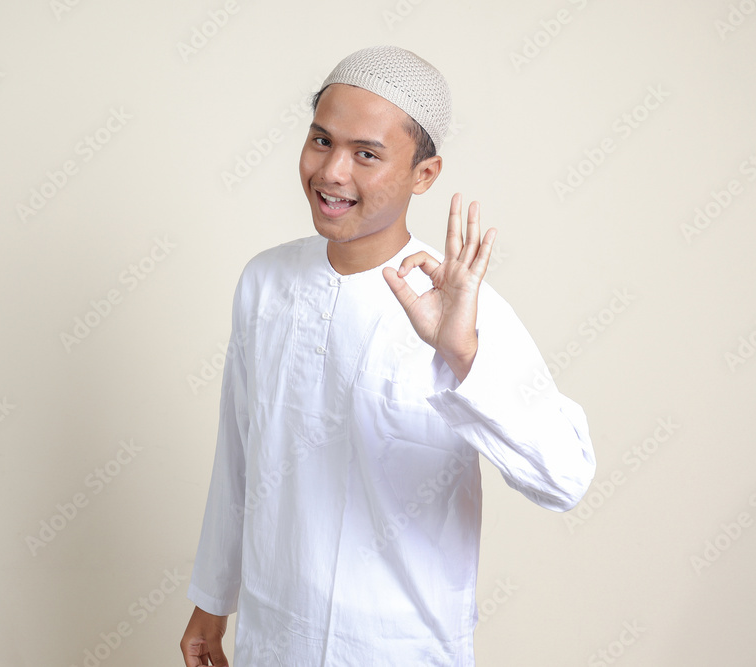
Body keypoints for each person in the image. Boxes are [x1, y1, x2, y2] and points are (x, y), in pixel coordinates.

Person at [180, 45, 596, 666]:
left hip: (399, 649)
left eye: (366, 154)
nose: (332, 173)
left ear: (423, 175)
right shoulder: (264, 281)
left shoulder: (462, 306)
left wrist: (461, 354)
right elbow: (239, 456)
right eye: (321, 141)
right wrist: (211, 604)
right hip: (273, 641)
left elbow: (564, 479)